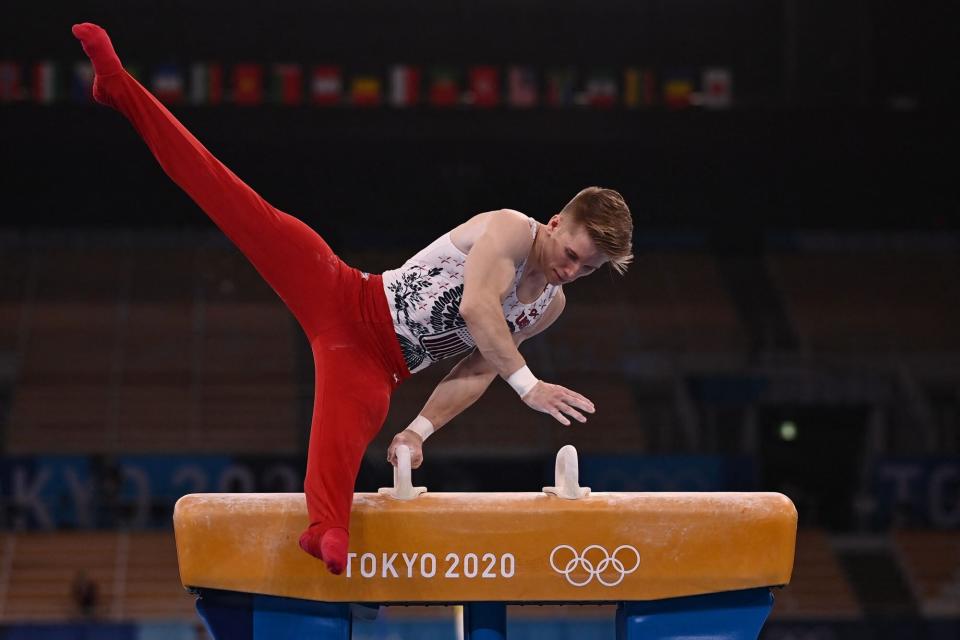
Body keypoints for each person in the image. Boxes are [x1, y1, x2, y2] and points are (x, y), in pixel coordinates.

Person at [71, 23, 634, 575]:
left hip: (377, 366)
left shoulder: (549, 307)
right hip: (341, 293)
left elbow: (480, 365)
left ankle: (325, 530)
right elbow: (477, 309)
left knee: (338, 455)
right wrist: (530, 388)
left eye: (588, 268)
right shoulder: (512, 230)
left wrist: (420, 430)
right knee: (224, 192)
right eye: (571, 253)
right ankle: (118, 85)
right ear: (556, 222)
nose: (571, 271)